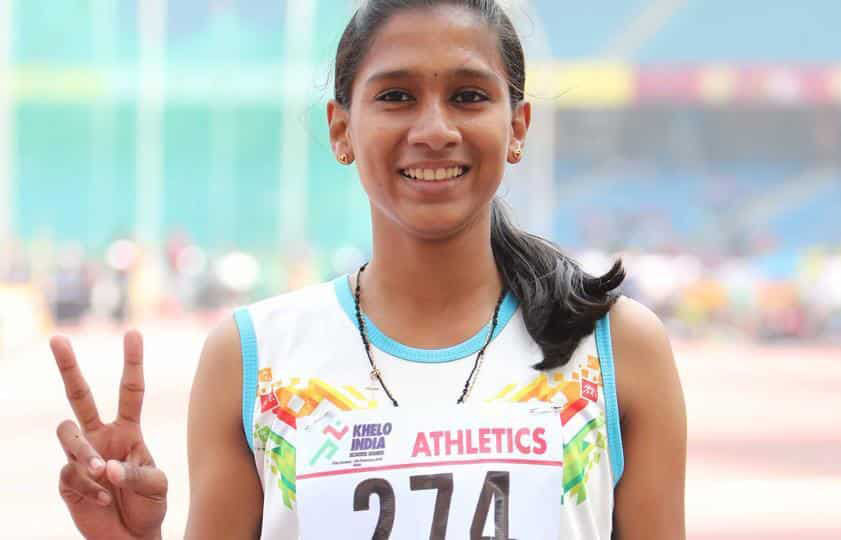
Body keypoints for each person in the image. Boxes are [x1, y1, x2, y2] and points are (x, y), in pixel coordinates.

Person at [50, 1, 686, 538]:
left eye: (468, 96)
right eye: (396, 96)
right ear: (341, 129)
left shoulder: (616, 350)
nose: (434, 129)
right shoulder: (250, 359)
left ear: (516, 126)